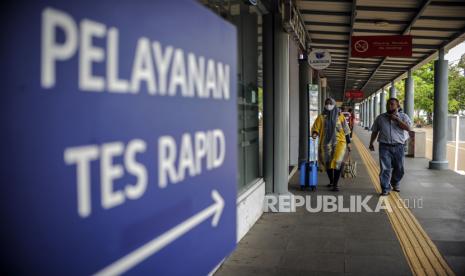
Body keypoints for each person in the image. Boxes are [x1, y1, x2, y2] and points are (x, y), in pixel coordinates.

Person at [369, 98, 412, 196]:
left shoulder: (404, 116)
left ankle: (395, 182)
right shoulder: (380, 118)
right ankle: (385, 188)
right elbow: (375, 131)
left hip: (399, 146)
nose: (389, 106)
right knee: (385, 168)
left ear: (398, 106)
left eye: (392, 104)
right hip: (384, 146)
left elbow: (408, 128)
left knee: (399, 168)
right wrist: (371, 142)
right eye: (388, 104)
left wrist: (397, 119)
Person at [312, 98, 351, 191]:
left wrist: (348, 142)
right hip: (325, 143)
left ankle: (335, 184)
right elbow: (316, 127)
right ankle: (332, 181)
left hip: (340, 143)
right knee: (328, 163)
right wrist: (315, 133)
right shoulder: (321, 117)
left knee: (338, 161)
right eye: (326, 103)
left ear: (334, 104)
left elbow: (346, 130)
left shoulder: (340, 116)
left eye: (330, 103)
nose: (328, 105)